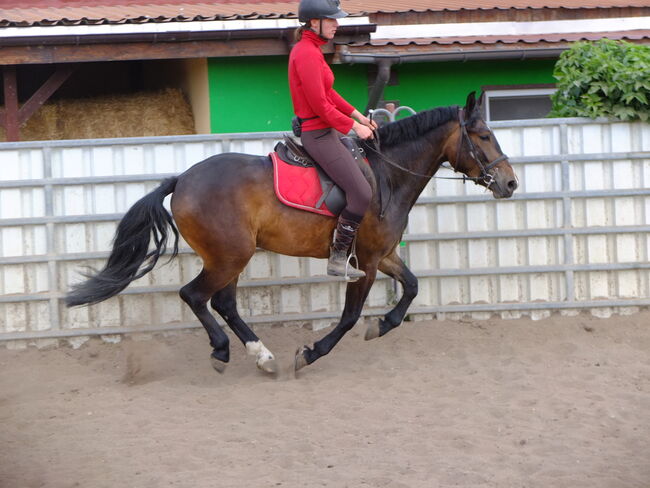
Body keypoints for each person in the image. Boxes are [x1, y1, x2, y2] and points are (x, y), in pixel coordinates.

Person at [289, 0, 377, 281]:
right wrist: (353, 127)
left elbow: (329, 94)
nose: (337, 24)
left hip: (328, 131)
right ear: (314, 22)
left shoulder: (314, 50)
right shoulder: (305, 53)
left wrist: (359, 116)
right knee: (362, 194)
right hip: (318, 135)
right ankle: (338, 258)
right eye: (332, 20)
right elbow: (319, 106)